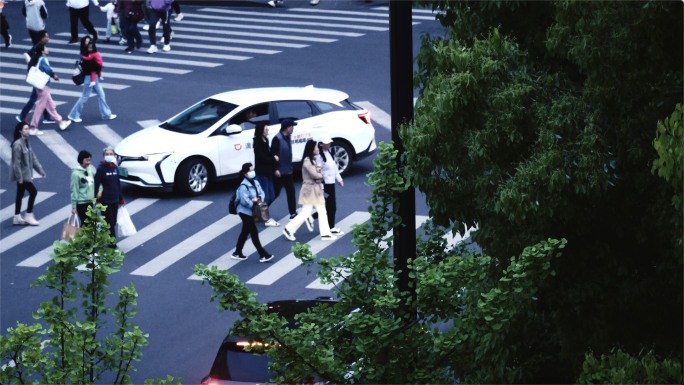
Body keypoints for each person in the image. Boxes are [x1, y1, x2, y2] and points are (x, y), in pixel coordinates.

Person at [282, 140, 336, 242]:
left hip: (315, 189)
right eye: (316, 147)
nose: (318, 149)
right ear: (311, 149)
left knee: (319, 211)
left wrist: (319, 174)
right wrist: (320, 175)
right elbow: (316, 175)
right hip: (310, 190)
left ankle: (325, 234)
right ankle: (289, 229)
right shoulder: (307, 161)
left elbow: (318, 173)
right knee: (307, 212)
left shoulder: (314, 160)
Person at [231, 162, 275, 263]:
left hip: (252, 211)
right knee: (254, 232)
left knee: (245, 232)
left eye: (253, 170)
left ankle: (237, 252)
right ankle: (263, 254)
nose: (253, 172)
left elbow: (261, 192)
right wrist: (253, 202)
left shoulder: (255, 182)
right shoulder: (243, 186)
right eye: (251, 170)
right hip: (244, 211)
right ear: (245, 173)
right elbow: (244, 201)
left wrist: (259, 199)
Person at [67, 37, 117, 123]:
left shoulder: (90, 53)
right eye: (86, 42)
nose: (88, 43)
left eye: (89, 41)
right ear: (84, 44)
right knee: (85, 96)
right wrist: (99, 67)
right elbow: (92, 67)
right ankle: (73, 115)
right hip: (89, 78)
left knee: (101, 95)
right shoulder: (86, 54)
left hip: (94, 77)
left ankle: (106, 114)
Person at [28, 43, 72, 134]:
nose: (47, 49)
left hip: (39, 84)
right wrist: (54, 75)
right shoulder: (43, 59)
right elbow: (47, 69)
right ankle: (33, 127)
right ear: (42, 50)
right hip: (43, 85)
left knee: (50, 104)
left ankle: (60, 122)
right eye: (46, 48)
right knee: (41, 106)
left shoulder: (36, 58)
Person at [11, 122, 46, 226]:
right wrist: (19, 177)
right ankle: (29, 215)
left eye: (28, 129)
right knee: (33, 192)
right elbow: (16, 163)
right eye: (25, 129)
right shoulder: (17, 145)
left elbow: (33, 158)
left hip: (26, 174)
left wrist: (40, 170)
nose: (28, 131)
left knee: (20, 195)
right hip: (23, 175)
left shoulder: (26, 142)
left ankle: (17, 217)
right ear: (20, 131)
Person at [16, 31, 52, 125]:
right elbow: (32, 61)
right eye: (46, 37)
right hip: (39, 77)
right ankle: (22, 115)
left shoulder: (38, 47)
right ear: (41, 38)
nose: (48, 38)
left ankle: (47, 117)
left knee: (44, 96)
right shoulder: (38, 47)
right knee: (36, 97)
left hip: (39, 77)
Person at [313, 136, 344, 235]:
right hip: (325, 184)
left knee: (327, 206)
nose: (329, 144)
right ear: (321, 144)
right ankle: (331, 227)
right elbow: (318, 172)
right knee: (331, 206)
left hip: (331, 183)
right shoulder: (318, 157)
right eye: (326, 143)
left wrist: (339, 179)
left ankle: (311, 217)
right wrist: (321, 185)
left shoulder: (329, 152)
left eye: (329, 142)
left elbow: (334, 168)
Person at [94, 146, 125, 241]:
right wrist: (97, 200)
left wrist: (121, 199)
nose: (109, 155)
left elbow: (117, 184)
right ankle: (112, 244)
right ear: (103, 156)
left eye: (111, 154)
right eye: (107, 154)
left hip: (115, 199)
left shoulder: (115, 168)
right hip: (105, 200)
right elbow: (96, 184)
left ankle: (102, 234)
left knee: (114, 221)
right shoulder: (101, 168)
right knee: (110, 223)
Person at [253, 122, 279, 227]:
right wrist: (273, 158)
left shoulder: (266, 140)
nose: (268, 130)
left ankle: (257, 213)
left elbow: (267, 154)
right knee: (265, 196)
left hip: (268, 172)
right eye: (266, 129)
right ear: (261, 130)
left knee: (271, 195)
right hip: (261, 173)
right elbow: (262, 158)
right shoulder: (257, 142)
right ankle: (264, 217)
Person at [271, 119, 297, 219]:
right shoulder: (277, 139)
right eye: (292, 126)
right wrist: (275, 169)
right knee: (275, 193)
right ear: (287, 127)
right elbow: (273, 155)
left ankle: (293, 213)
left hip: (288, 170)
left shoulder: (288, 137)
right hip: (279, 172)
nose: (293, 128)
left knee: (291, 191)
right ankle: (261, 208)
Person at [70, 150, 96, 225]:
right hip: (81, 203)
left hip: (90, 201)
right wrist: (74, 206)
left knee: (90, 223)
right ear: (81, 160)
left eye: (89, 160)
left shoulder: (90, 171)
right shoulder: (75, 174)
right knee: (86, 224)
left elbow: (97, 180)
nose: (89, 162)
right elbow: (74, 190)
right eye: (87, 160)